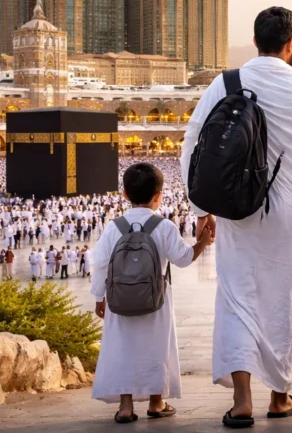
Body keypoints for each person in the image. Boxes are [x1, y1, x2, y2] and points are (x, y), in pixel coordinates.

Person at [180, 7, 292, 428]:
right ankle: (281, 396)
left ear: (255, 42)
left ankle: (241, 402)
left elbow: (193, 145)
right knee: (284, 304)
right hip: (289, 219)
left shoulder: (226, 83)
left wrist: (202, 210)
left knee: (237, 302)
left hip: (239, 212)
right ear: (291, 45)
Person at [90, 163, 213, 423]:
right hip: (156, 299)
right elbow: (183, 259)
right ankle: (157, 403)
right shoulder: (164, 226)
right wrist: (203, 242)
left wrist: (99, 297)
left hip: (119, 300)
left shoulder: (115, 227)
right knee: (157, 347)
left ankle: (125, 407)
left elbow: (99, 262)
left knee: (123, 347)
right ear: (159, 195)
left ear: (124, 194)